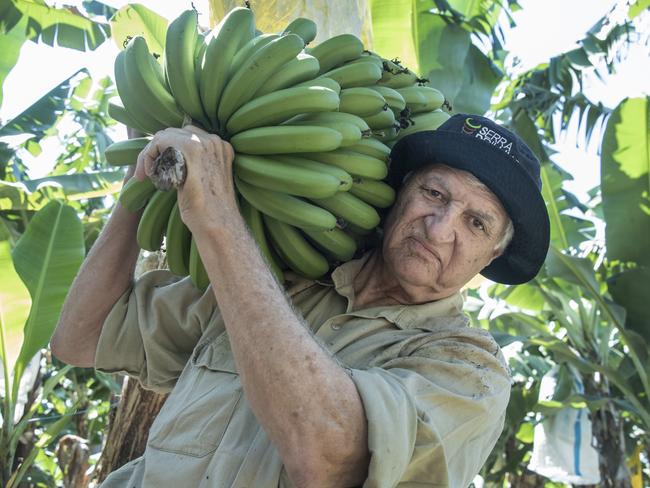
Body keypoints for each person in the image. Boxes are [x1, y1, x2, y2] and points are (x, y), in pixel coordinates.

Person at [51, 113, 550, 488]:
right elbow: (81, 336)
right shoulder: (275, 282)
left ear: (493, 254)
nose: (440, 229)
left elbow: (326, 454)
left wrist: (219, 219)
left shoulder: (468, 370)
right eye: (434, 194)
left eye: (476, 222)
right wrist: (143, 182)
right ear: (401, 193)